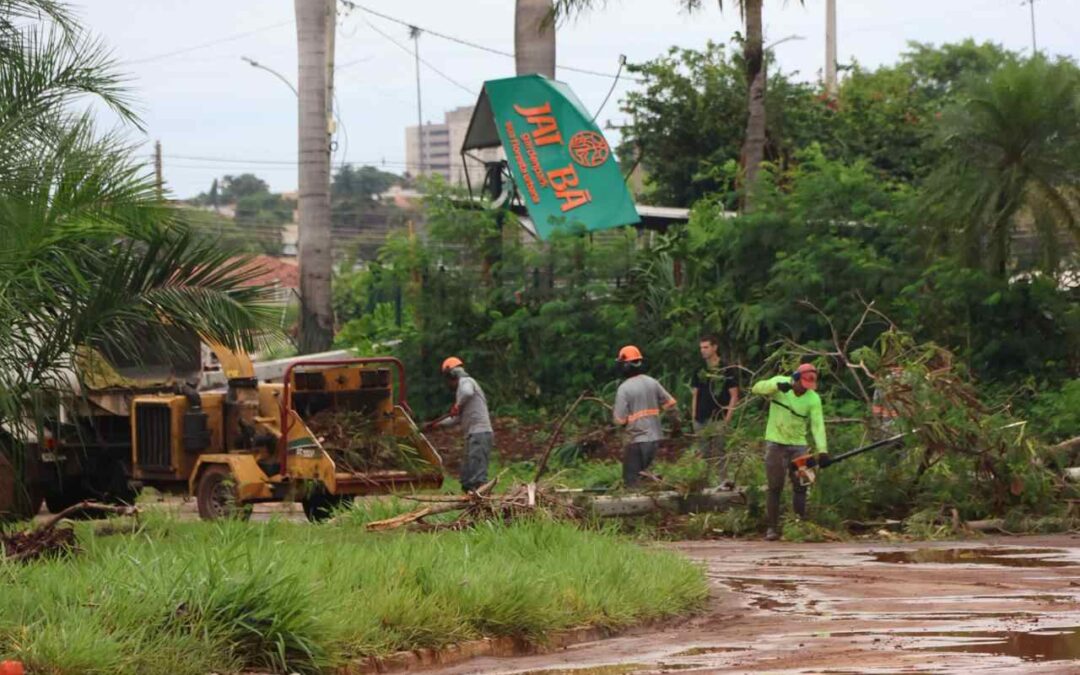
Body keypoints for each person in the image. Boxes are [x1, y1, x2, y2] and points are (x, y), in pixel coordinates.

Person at [751, 363, 827, 541]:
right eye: (803, 384)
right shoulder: (780, 383)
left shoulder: (813, 399)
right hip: (775, 443)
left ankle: (799, 524)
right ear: (795, 378)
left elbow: (817, 425)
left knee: (802, 485)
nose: (804, 389)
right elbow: (756, 388)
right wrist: (775, 387)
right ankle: (772, 528)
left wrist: (823, 450)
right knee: (774, 486)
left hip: (799, 445)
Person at [613, 345, 679, 488]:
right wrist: (676, 427)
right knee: (651, 479)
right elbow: (671, 405)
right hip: (655, 439)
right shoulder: (652, 382)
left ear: (625, 365)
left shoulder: (624, 389)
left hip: (636, 441)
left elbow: (619, 420)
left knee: (632, 481)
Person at [428, 356, 493, 493]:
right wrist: (437, 424)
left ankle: (483, 501)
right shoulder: (461, 392)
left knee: (477, 475)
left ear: (452, 374)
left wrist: (457, 404)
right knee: (467, 477)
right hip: (472, 435)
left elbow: (468, 393)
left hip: (480, 433)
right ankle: (470, 497)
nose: (448, 383)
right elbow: (455, 418)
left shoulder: (466, 382)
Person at [690, 334, 740, 487]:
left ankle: (723, 482)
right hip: (701, 418)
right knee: (703, 453)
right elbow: (695, 394)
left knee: (720, 452)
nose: (703, 351)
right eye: (701, 348)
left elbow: (734, 395)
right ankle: (702, 483)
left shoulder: (726, 369)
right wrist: (693, 417)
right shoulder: (700, 370)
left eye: (706, 347)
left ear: (714, 347)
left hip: (718, 417)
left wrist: (727, 418)